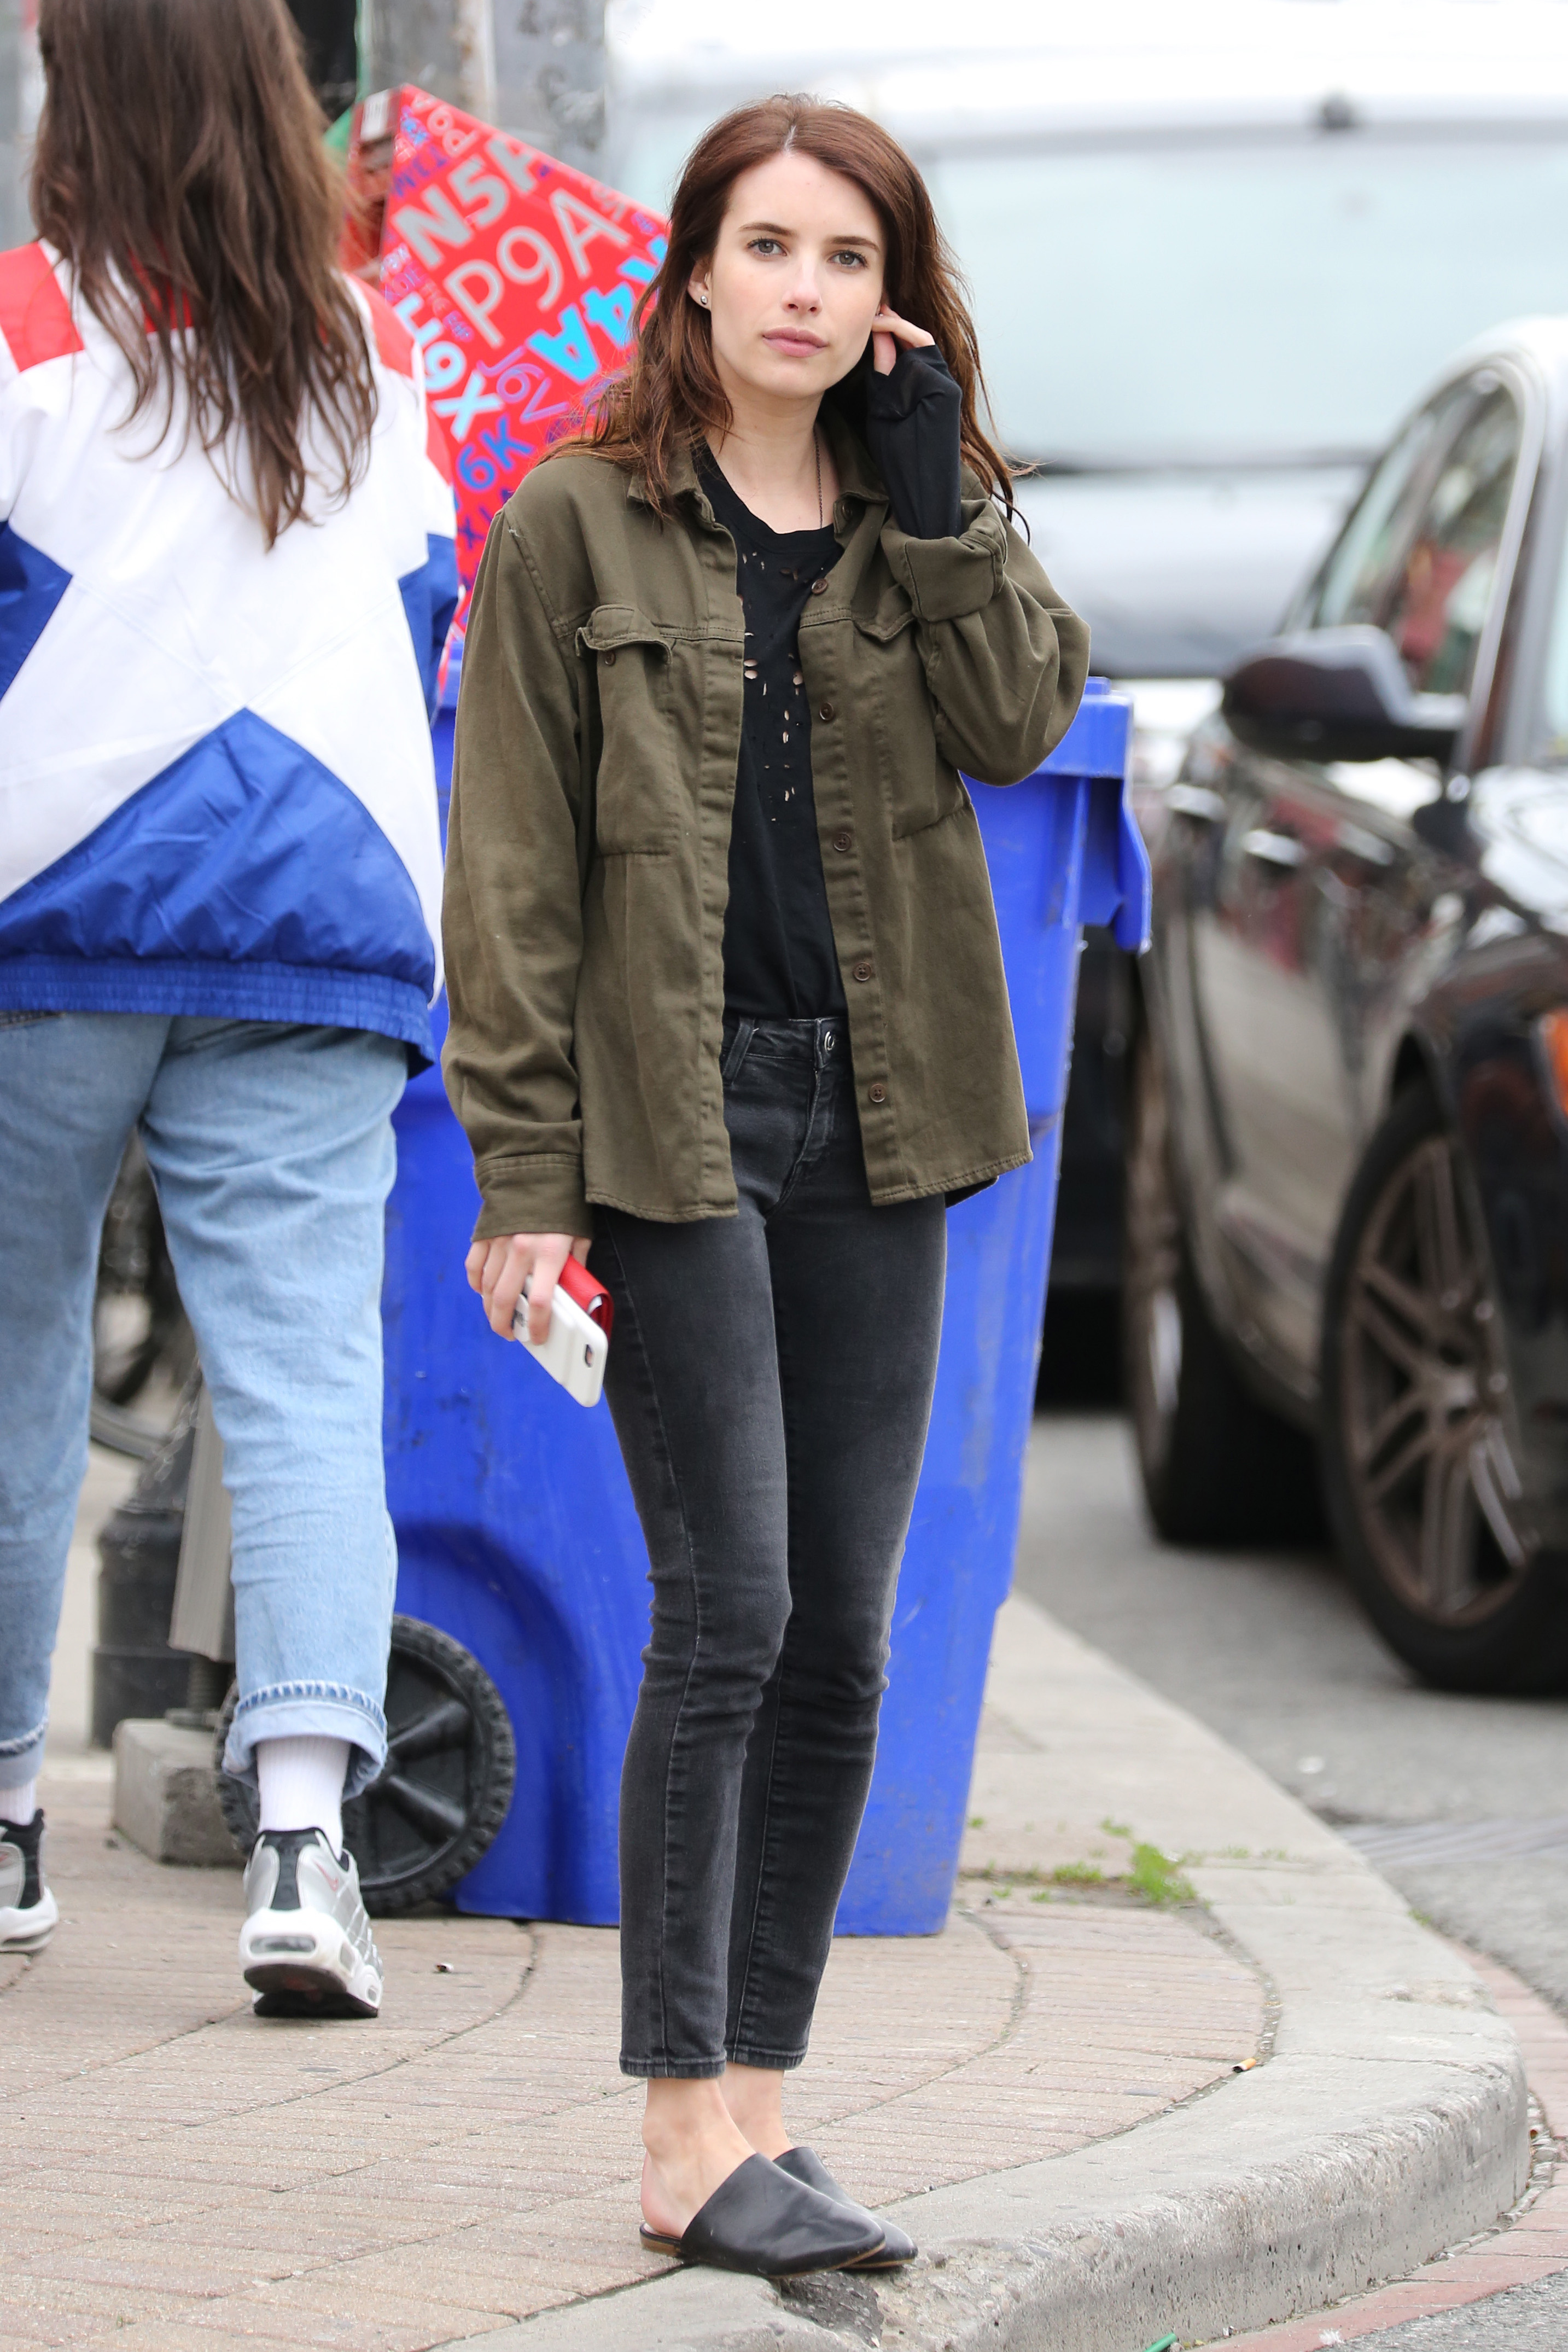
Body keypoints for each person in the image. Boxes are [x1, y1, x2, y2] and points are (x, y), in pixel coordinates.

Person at [444, 95, 1088, 2274]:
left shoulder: (928, 508)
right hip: (669, 1123)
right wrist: (524, 1174)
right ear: (696, 271)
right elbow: (514, 877)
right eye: (770, 247)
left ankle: (759, 2104)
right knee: (727, 1608)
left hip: (883, 1121)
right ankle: (672, 2131)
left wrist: (942, 500)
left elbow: (1026, 720)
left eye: (847, 257)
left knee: (843, 1637)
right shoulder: (576, 524)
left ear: (891, 296)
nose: (804, 291)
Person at [0, 0, 456, 2016]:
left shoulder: (23, 326)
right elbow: (423, 610)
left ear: (76, 95)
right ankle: (302, 1847)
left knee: (14, 1360)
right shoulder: (373, 349)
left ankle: (9, 1819)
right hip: (325, 914)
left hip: (48, 908)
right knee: (303, 1378)